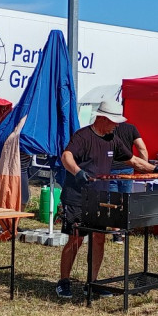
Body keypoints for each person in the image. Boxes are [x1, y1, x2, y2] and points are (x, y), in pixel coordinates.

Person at [55, 99, 124, 300]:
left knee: (99, 238)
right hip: (77, 197)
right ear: (102, 118)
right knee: (76, 238)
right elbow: (66, 156)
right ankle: (64, 281)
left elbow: (130, 158)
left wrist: (152, 168)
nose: (116, 125)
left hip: (99, 197)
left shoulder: (112, 138)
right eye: (113, 121)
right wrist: (77, 172)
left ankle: (92, 283)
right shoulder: (82, 136)